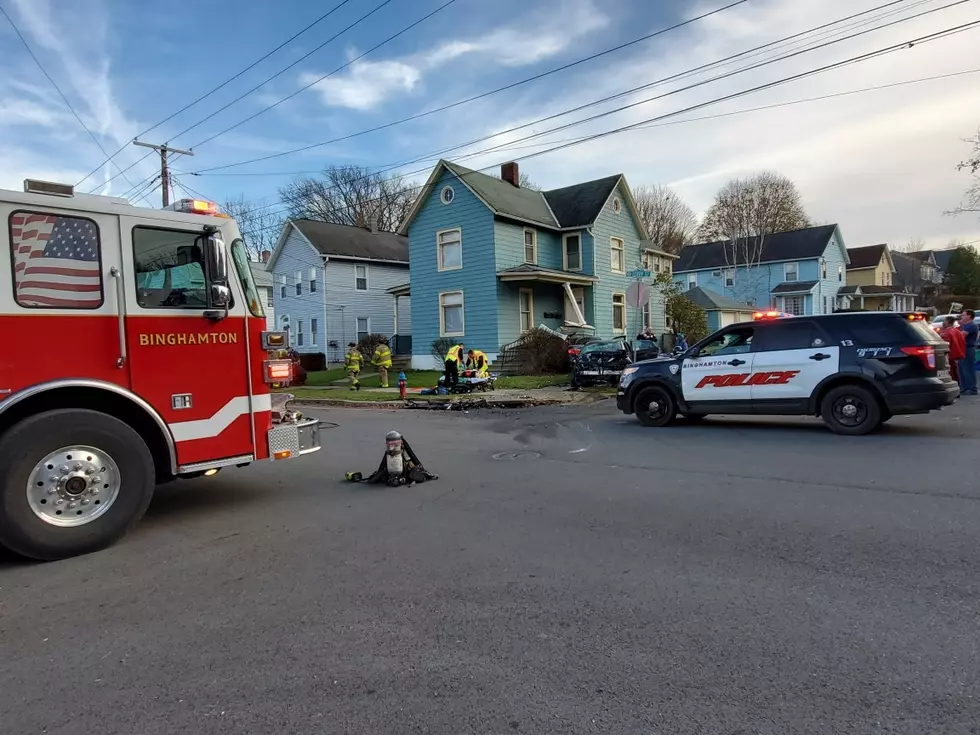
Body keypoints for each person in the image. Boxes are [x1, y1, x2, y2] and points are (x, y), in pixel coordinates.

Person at [939, 316, 966, 385]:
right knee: (956, 371)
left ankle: (954, 385)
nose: (943, 323)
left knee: (950, 373)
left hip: (949, 356)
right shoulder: (957, 331)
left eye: (944, 321)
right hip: (957, 354)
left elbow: (945, 346)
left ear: (947, 322)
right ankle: (958, 385)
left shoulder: (946, 333)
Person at [958, 309, 978, 395]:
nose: (961, 317)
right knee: (961, 368)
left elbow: (962, 335)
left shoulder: (971, 325)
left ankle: (973, 388)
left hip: (968, 349)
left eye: (963, 315)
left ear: (969, 316)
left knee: (968, 368)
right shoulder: (965, 325)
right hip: (962, 348)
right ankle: (964, 387)